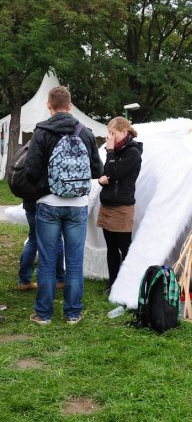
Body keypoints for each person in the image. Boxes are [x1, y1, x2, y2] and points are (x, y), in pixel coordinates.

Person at [24, 86, 102, 325]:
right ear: (70, 106)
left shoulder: (42, 132)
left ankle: (44, 314)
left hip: (48, 204)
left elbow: (31, 170)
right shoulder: (85, 132)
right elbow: (98, 170)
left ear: (49, 105)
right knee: (75, 261)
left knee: (47, 261)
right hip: (78, 205)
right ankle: (73, 313)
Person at [97, 116, 142, 291]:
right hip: (108, 204)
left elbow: (114, 171)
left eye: (112, 133)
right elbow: (107, 172)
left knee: (125, 248)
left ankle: (128, 284)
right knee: (111, 248)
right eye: (109, 132)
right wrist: (102, 180)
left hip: (123, 207)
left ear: (124, 132)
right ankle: (113, 284)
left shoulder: (133, 152)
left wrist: (109, 152)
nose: (109, 137)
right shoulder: (115, 151)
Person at [18, 198, 65, 291]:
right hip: (50, 202)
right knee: (57, 240)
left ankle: (24, 281)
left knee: (33, 240)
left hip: (31, 203)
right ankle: (59, 279)